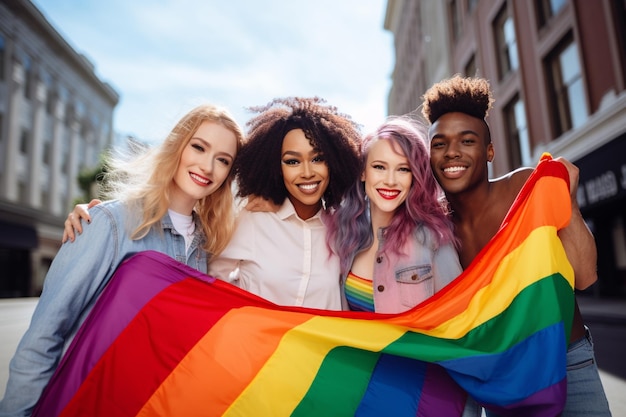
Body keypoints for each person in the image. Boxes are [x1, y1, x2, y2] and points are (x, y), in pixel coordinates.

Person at [0, 104, 244, 417]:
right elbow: (45, 335)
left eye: (223, 160)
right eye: (199, 147)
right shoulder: (110, 222)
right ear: (177, 146)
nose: (208, 166)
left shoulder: (209, 249)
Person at [421, 74, 611, 416]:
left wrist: (569, 200)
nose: (452, 153)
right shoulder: (436, 230)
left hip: (568, 362)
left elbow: (584, 276)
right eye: (440, 143)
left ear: (489, 150)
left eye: (467, 141)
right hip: (502, 377)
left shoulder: (525, 190)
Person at [208, 96, 362, 309]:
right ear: (276, 168)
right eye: (292, 161)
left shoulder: (343, 230)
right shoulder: (252, 220)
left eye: (317, 159)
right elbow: (214, 284)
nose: (307, 173)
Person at [326, 115, 461, 313]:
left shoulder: (433, 238)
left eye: (403, 169)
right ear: (363, 173)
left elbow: (457, 315)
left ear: (414, 177)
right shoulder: (342, 234)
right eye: (379, 167)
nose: (390, 181)